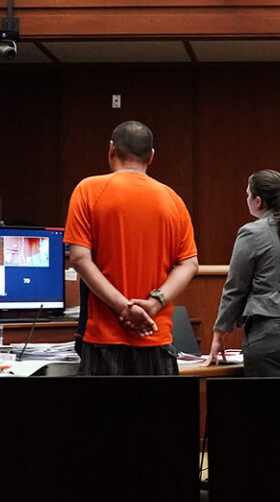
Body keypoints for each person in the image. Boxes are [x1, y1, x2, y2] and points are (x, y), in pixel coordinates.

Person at [63, 120, 199, 375]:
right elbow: (189, 263)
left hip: (104, 340)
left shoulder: (88, 190)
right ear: (151, 157)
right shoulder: (173, 200)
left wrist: (124, 308)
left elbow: (79, 259)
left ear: (111, 149)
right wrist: (155, 303)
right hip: (156, 335)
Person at [207, 170, 280, 376]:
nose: (246, 199)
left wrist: (219, 335)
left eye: (248, 195)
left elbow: (235, 289)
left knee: (271, 398)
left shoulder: (252, 232)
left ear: (258, 201)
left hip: (273, 330)